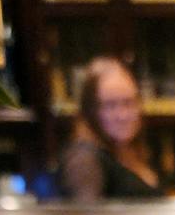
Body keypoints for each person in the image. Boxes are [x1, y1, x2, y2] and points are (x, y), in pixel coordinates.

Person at [62, 58, 163, 200]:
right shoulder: (84, 159)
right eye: (110, 105)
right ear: (91, 110)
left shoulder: (127, 149)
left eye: (129, 103)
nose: (122, 115)